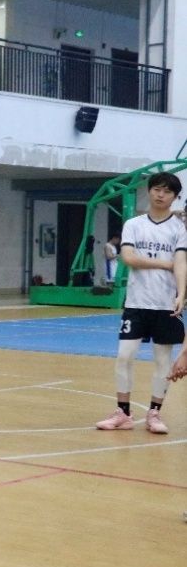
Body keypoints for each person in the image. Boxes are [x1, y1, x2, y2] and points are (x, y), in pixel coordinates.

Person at [95, 173, 186, 435]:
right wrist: (165, 264)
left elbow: (181, 263)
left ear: (175, 197)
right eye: (157, 189)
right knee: (124, 356)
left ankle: (154, 413)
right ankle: (123, 413)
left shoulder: (179, 229)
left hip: (165, 305)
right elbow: (129, 258)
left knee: (162, 361)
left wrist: (181, 294)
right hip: (136, 304)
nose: (160, 195)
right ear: (149, 191)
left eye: (167, 191)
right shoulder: (133, 224)